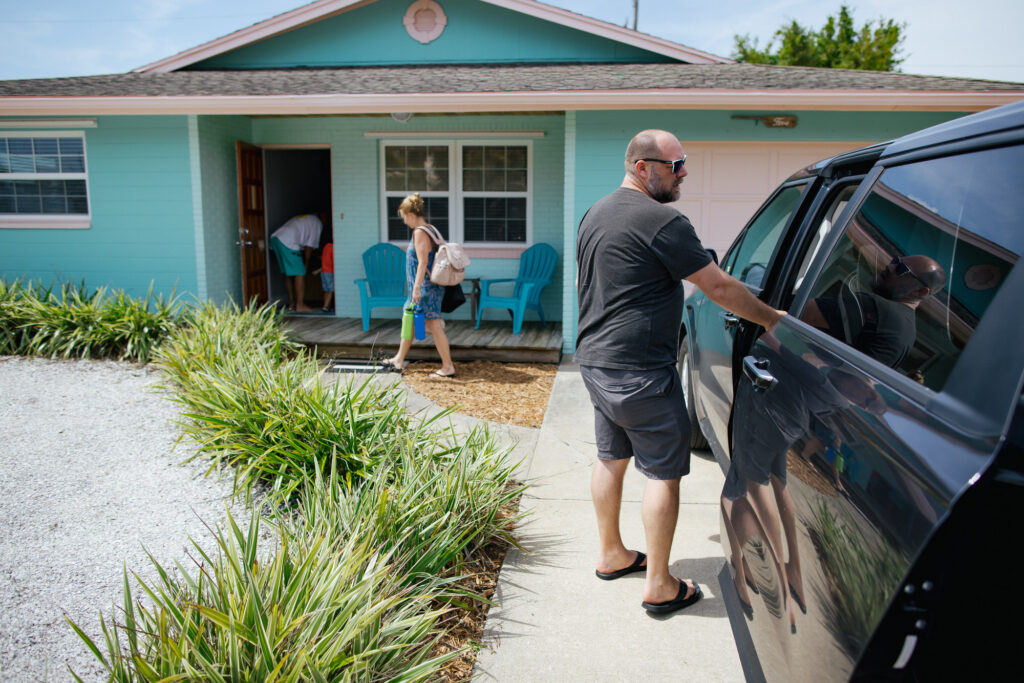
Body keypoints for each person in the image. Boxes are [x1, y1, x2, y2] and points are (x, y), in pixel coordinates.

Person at [575, 129, 786, 615]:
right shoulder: (663, 221)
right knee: (663, 473)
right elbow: (718, 287)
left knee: (610, 457)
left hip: (597, 359)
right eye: (677, 164)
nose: (685, 171)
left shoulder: (596, 212)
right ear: (643, 167)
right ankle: (660, 585)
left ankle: (612, 554)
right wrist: (773, 320)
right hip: (642, 370)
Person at [802, 254, 946, 367]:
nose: (890, 266)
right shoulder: (907, 334)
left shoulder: (877, 308)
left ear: (919, 291)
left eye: (902, 269)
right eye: (895, 260)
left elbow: (796, 310)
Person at [381, 193, 456, 378]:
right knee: (410, 320)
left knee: (433, 323)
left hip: (425, 288)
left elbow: (423, 262)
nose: (405, 221)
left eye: (405, 217)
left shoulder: (420, 232)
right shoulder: (431, 229)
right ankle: (399, 358)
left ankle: (448, 366)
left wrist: (416, 288)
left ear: (411, 214)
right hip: (426, 287)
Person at [269, 213, 324, 312]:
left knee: (288, 273)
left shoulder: (306, 218)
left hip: (275, 238)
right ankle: (300, 305)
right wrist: (306, 265)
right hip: (289, 241)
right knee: (300, 273)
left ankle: (292, 304)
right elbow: (309, 247)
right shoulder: (317, 223)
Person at [313, 241, 334, 313]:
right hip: (329, 272)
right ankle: (325, 307)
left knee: (326, 290)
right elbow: (333, 261)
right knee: (331, 290)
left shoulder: (326, 246)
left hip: (323, 272)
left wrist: (318, 271)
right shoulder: (333, 248)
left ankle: (325, 306)